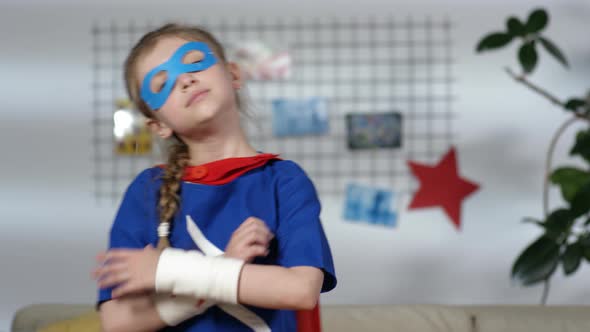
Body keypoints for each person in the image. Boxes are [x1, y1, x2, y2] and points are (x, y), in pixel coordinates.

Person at [92, 23, 337, 332]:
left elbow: (300, 290)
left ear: (233, 74)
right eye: (161, 84)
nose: (185, 80)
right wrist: (220, 268)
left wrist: (168, 270)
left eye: (194, 62)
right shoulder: (147, 191)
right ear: (158, 126)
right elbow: (118, 321)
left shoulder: (284, 180)